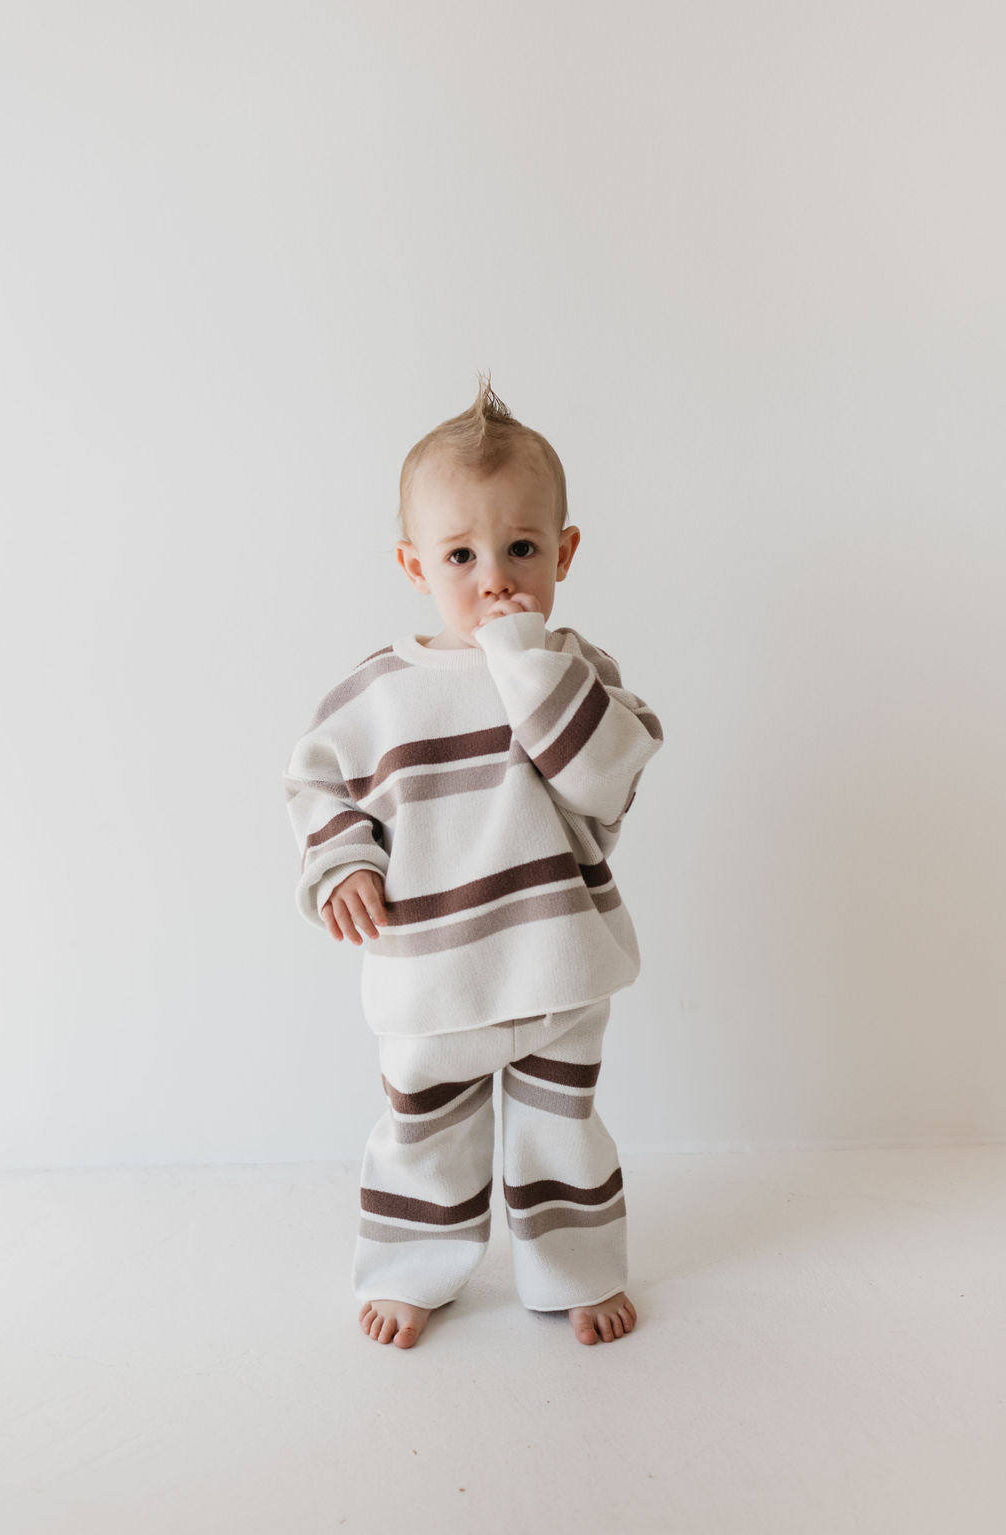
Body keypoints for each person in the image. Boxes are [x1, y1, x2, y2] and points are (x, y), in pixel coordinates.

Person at [282, 374, 663, 1349]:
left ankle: (575, 1268)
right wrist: (345, 864)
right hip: (431, 975)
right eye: (461, 554)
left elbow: (603, 777)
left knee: (559, 1133)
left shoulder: (579, 673)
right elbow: (316, 782)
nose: (494, 576)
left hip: (556, 971)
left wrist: (525, 655)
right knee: (424, 1135)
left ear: (563, 553)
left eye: (521, 548)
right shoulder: (380, 692)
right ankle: (412, 1269)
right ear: (415, 564)